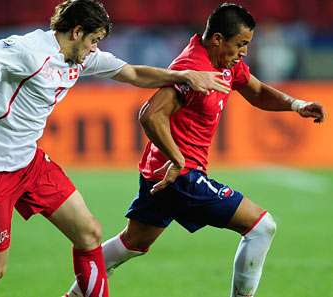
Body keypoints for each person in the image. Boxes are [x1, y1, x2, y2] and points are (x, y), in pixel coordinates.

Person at [0, 1, 230, 296]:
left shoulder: (80, 57)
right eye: (94, 40)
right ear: (77, 31)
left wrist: (182, 75)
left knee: (89, 233)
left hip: (31, 164)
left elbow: (131, 74)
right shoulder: (29, 50)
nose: (95, 50)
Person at [65, 3, 326, 297]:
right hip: (180, 175)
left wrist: (296, 104)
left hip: (159, 174)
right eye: (241, 44)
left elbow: (256, 91)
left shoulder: (225, 63)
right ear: (217, 39)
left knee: (133, 243)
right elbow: (150, 114)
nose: (244, 52)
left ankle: (74, 295)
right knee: (261, 227)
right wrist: (178, 159)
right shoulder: (192, 69)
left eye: (247, 45)